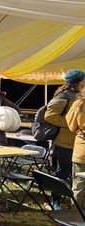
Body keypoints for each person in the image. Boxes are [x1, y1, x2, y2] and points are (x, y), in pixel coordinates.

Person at [45, 69, 85, 209]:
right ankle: (55, 201)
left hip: (75, 142)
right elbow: (49, 116)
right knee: (63, 173)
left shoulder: (77, 95)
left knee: (74, 175)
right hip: (64, 142)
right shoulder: (65, 95)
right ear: (80, 82)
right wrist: (70, 124)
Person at [66, 86, 85, 208]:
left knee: (79, 186)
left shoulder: (78, 104)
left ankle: (75, 214)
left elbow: (72, 126)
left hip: (82, 150)